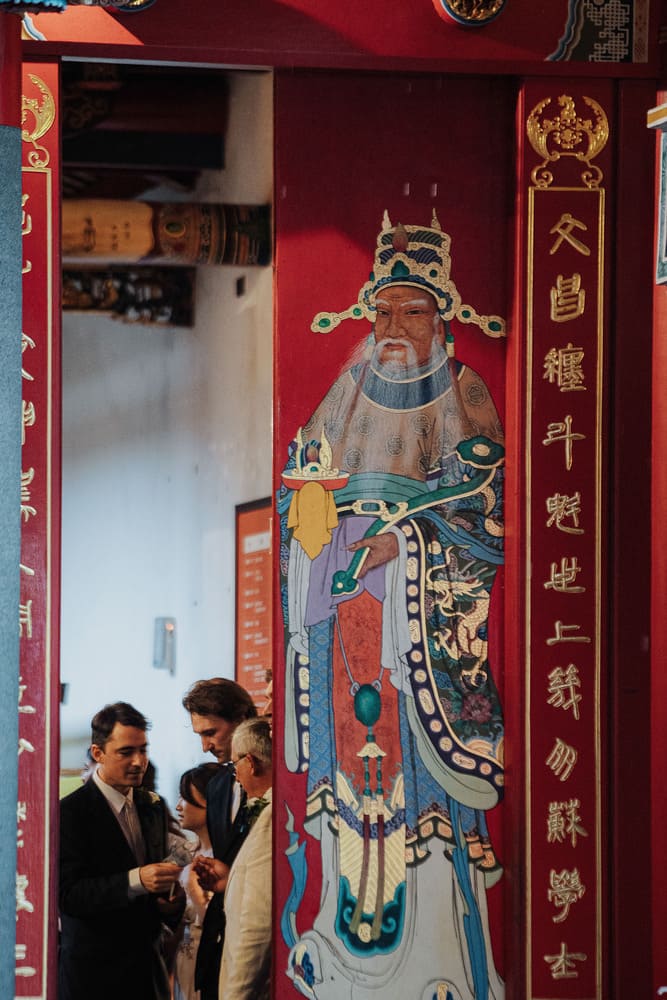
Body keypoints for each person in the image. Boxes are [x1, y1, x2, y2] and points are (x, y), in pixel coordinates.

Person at [279, 212, 505, 999]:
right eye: (382, 311)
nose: (394, 327)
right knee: (352, 764)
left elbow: (485, 508)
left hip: (415, 604)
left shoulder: (463, 390)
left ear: (441, 316)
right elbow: (303, 481)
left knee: (411, 770)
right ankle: (347, 945)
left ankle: (434, 949)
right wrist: (312, 518)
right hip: (344, 598)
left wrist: (403, 541)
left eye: (412, 311)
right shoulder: (347, 388)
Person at [59, 702, 185, 1000]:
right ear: (98, 753)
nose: (139, 761)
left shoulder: (152, 806)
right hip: (94, 977)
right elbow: (69, 895)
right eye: (126, 752)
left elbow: (157, 891)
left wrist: (170, 902)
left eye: (143, 750)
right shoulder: (70, 812)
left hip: (147, 972)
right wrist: (137, 879)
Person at [181, 678, 257, 1000]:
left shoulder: (275, 782)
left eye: (210, 732)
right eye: (199, 735)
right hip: (218, 944)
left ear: (241, 719)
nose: (205, 747)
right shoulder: (218, 785)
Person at [218, 718, 272, 1000]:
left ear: (250, 763)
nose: (236, 777)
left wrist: (236, 994)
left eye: (235, 765)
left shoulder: (270, 819)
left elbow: (258, 925)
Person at [172, 763, 219, 1000]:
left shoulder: (221, 861)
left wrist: (194, 889)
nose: (178, 806)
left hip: (209, 961)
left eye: (186, 798)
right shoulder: (185, 852)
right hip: (182, 959)